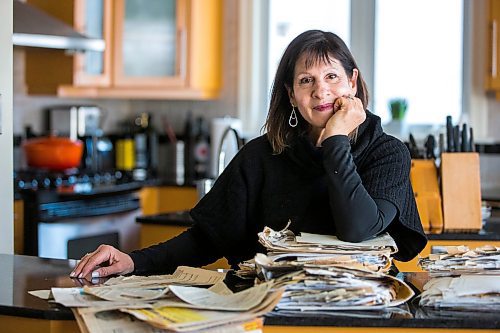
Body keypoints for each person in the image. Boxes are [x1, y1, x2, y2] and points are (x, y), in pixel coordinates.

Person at [71, 30, 427, 279]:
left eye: (332, 76)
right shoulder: (262, 156)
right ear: (291, 94)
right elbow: (209, 237)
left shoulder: (387, 153)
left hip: (363, 312)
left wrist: (334, 140)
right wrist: (132, 261)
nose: (321, 91)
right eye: (306, 81)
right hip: (274, 308)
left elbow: (358, 229)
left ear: (352, 82)